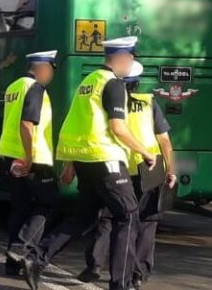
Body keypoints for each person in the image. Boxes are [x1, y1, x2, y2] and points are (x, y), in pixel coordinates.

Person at [21, 36, 157, 290]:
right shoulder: (114, 84)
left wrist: (72, 162)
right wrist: (146, 153)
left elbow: (79, 122)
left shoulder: (89, 81)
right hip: (105, 158)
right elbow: (118, 127)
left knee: (83, 217)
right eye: (131, 58)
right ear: (122, 58)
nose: (131, 63)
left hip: (85, 159)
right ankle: (121, 284)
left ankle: (36, 258)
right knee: (128, 215)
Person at [79, 61, 177, 289]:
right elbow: (164, 140)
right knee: (147, 221)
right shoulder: (148, 102)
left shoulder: (110, 103)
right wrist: (170, 168)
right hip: (148, 168)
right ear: (138, 82)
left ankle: (95, 264)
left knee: (108, 217)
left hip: (119, 167)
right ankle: (138, 273)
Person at [0, 50, 58, 276]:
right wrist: (30, 157)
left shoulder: (14, 86)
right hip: (32, 158)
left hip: (10, 155)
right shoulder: (35, 88)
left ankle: (12, 263)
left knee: (20, 208)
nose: (52, 74)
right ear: (42, 68)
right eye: (52, 69)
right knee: (49, 202)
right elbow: (26, 124)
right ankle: (21, 247)